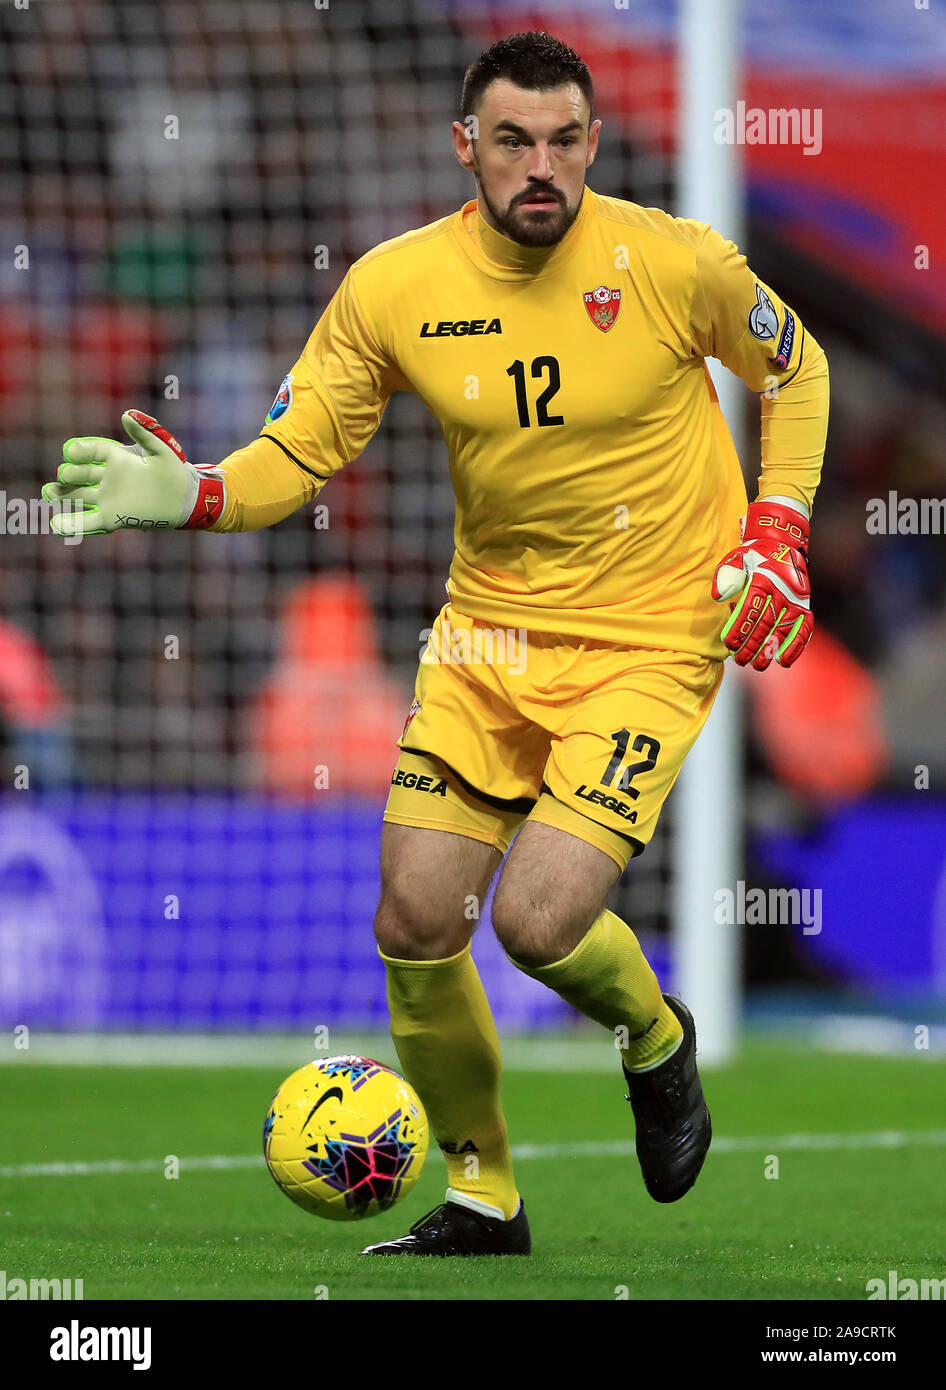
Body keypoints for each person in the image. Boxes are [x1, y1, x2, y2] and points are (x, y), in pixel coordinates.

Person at [42, 31, 828, 1256]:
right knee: (413, 920)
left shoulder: (674, 261)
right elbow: (301, 451)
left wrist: (775, 525)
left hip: (650, 636)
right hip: (484, 642)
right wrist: (195, 492)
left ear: (593, 147)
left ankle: (657, 1038)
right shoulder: (395, 286)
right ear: (465, 144)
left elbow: (799, 367)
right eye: (512, 139)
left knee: (540, 921)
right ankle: (483, 1196)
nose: (540, 167)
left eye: (564, 141)